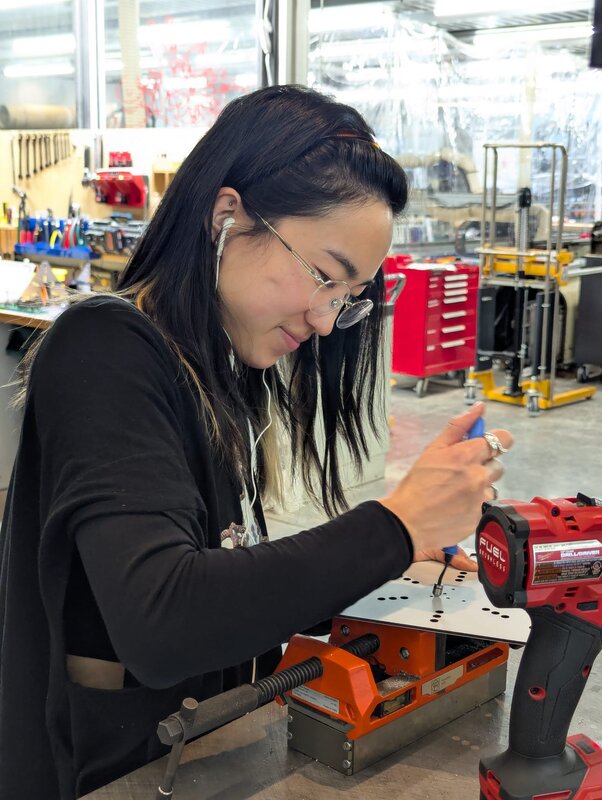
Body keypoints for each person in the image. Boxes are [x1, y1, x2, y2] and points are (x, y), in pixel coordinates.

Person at [0, 85, 511, 800]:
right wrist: (393, 526)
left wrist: (394, 557)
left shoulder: (212, 366)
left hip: (191, 753)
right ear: (228, 216)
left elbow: (220, 584)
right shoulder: (105, 349)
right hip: (104, 773)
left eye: (347, 296)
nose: (327, 319)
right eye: (324, 275)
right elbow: (164, 621)